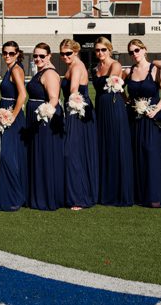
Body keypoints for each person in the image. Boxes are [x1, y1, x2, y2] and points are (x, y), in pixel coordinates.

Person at [124, 39, 161, 208]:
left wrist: (155, 109)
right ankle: (139, 195)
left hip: (152, 118)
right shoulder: (129, 71)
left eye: (136, 50)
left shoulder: (155, 69)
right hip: (134, 119)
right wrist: (128, 101)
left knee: (151, 152)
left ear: (144, 50)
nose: (134, 54)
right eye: (131, 52)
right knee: (137, 154)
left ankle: (155, 196)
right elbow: (120, 88)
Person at [93, 37, 134, 207]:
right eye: (97, 50)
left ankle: (119, 192)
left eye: (103, 49)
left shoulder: (115, 65)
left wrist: (126, 100)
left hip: (113, 108)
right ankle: (105, 190)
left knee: (116, 146)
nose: (100, 53)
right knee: (104, 148)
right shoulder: (95, 68)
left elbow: (113, 84)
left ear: (109, 50)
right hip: (100, 109)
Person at [60, 39, 98, 210]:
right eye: (62, 53)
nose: (65, 56)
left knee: (72, 152)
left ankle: (80, 197)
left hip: (78, 111)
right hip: (73, 109)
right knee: (75, 152)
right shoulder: (71, 66)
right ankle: (73, 193)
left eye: (68, 53)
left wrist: (67, 105)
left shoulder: (76, 67)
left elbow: (74, 88)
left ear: (75, 52)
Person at [26, 42, 64, 211]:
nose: (38, 59)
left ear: (49, 56)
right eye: (35, 56)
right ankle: (37, 195)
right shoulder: (41, 71)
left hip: (45, 120)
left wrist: (45, 114)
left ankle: (47, 197)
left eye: (42, 56)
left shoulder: (49, 73)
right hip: (35, 118)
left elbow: (54, 97)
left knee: (45, 156)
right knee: (37, 155)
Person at [0, 41, 28, 212]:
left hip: (12, 118)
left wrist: (12, 116)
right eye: (5, 53)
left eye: (11, 53)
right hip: (6, 115)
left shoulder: (16, 69)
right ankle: (15, 195)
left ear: (17, 54)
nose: (7, 56)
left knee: (8, 156)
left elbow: (23, 94)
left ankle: (13, 197)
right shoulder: (10, 68)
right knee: (11, 155)